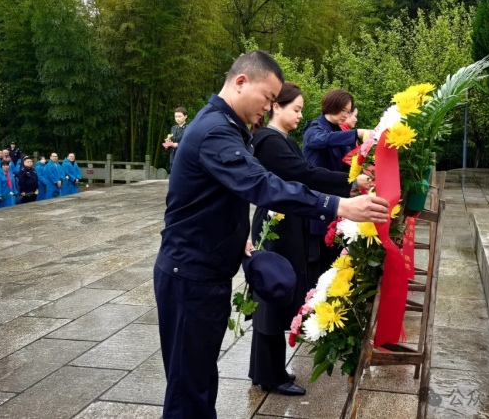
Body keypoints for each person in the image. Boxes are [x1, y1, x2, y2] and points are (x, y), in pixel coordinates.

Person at [154, 50, 389, 419]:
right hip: (191, 276)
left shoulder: (224, 125)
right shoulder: (216, 131)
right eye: (267, 98)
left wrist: (237, 235)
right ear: (241, 82)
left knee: (198, 381)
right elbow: (261, 185)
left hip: (201, 272)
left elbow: (212, 198)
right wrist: (340, 206)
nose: (268, 108)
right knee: (189, 391)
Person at [247, 82, 372, 395]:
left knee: (277, 295)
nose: (301, 115)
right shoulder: (268, 141)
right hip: (277, 225)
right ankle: (269, 374)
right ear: (276, 107)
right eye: (296, 109)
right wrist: (351, 184)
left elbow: (304, 173)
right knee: (273, 296)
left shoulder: (282, 139)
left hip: (288, 222)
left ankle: (266, 370)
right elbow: (305, 174)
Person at [302, 89, 371, 286]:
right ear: (331, 106)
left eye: (348, 111)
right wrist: (356, 133)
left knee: (333, 263)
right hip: (316, 206)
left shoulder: (336, 131)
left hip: (336, 204)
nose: (346, 115)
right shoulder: (314, 129)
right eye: (343, 110)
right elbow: (321, 140)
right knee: (317, 267)